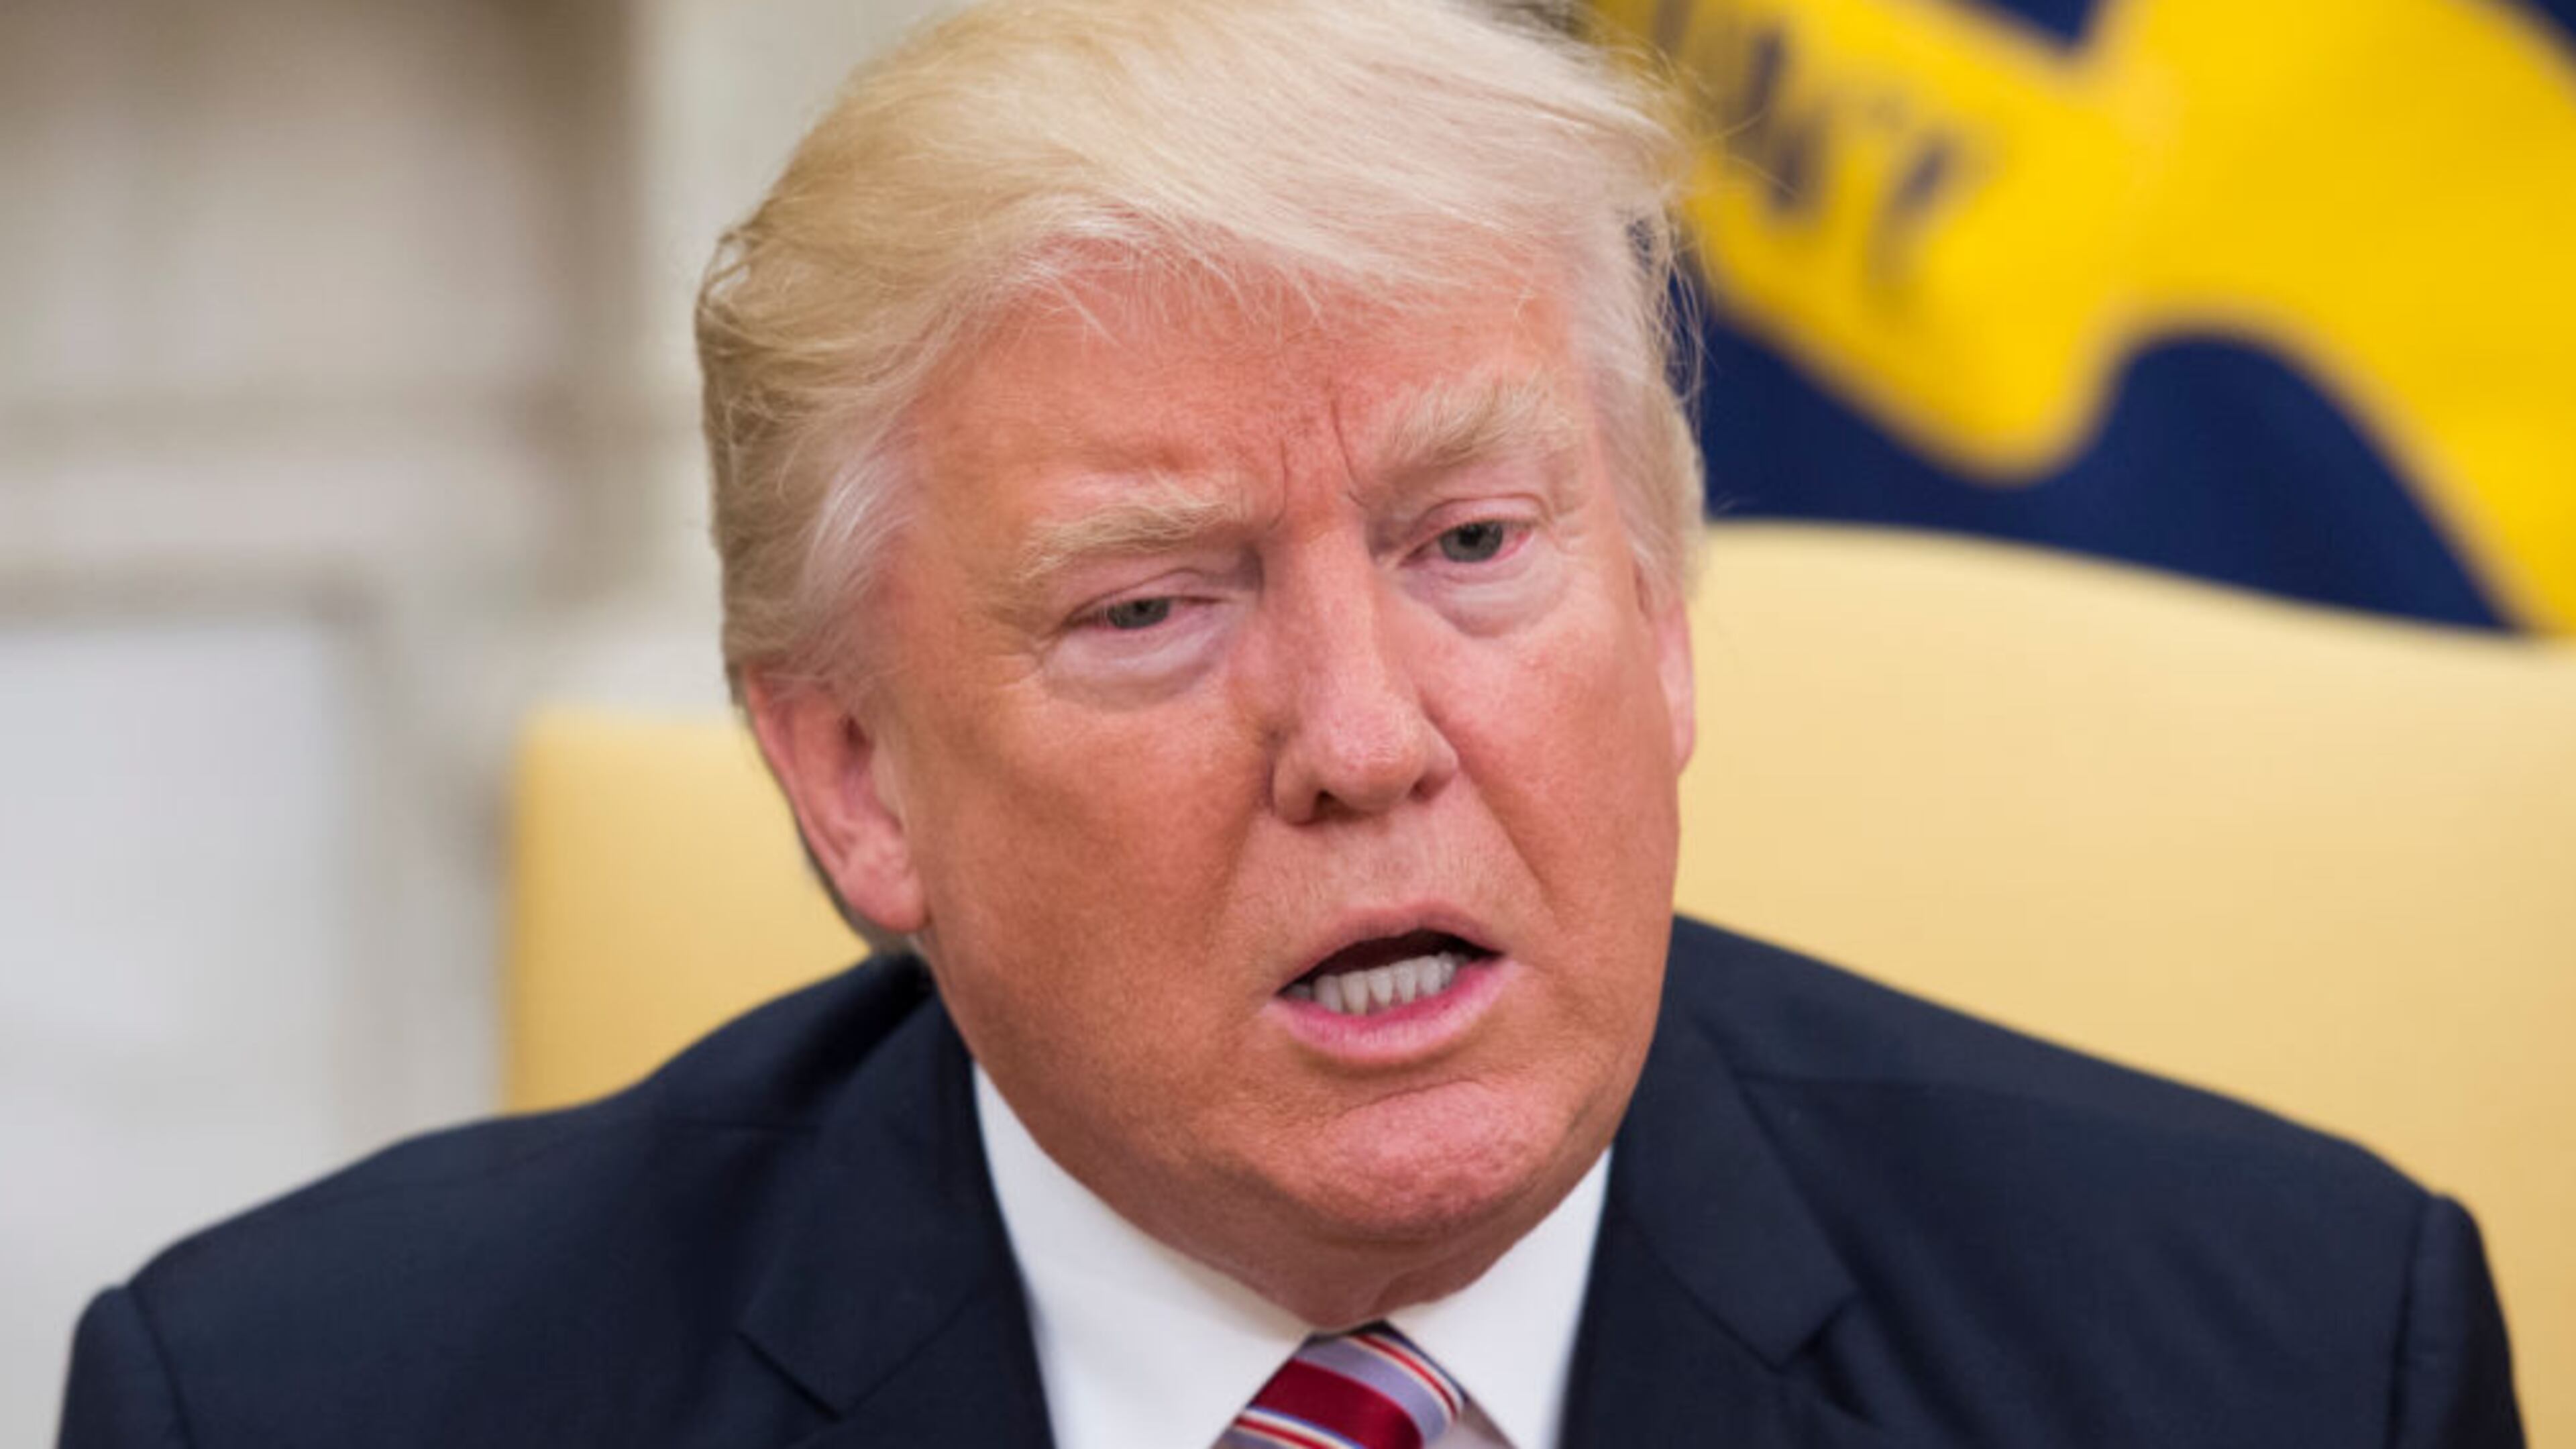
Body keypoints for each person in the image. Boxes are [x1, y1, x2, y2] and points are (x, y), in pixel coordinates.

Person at [57, 1, 2522, 1445]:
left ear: (1662, 623)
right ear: (851, 775)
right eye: (1151, 605)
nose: (1364, 737)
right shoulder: (302, 1406)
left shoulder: (2286, 1362)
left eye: (1474, 545)